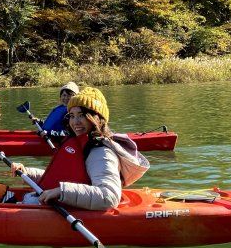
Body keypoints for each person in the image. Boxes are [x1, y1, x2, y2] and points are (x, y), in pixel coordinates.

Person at [9, 87, 149, 210]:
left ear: (96, 119)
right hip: (53, 205)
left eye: (82, 115)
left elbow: (109, 197)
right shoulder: (80, 144)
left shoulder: (101, 152)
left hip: (67, 213)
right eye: (72, 116)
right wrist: (27, 172)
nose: (75, 122)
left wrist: (61, 192)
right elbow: (64, 177)